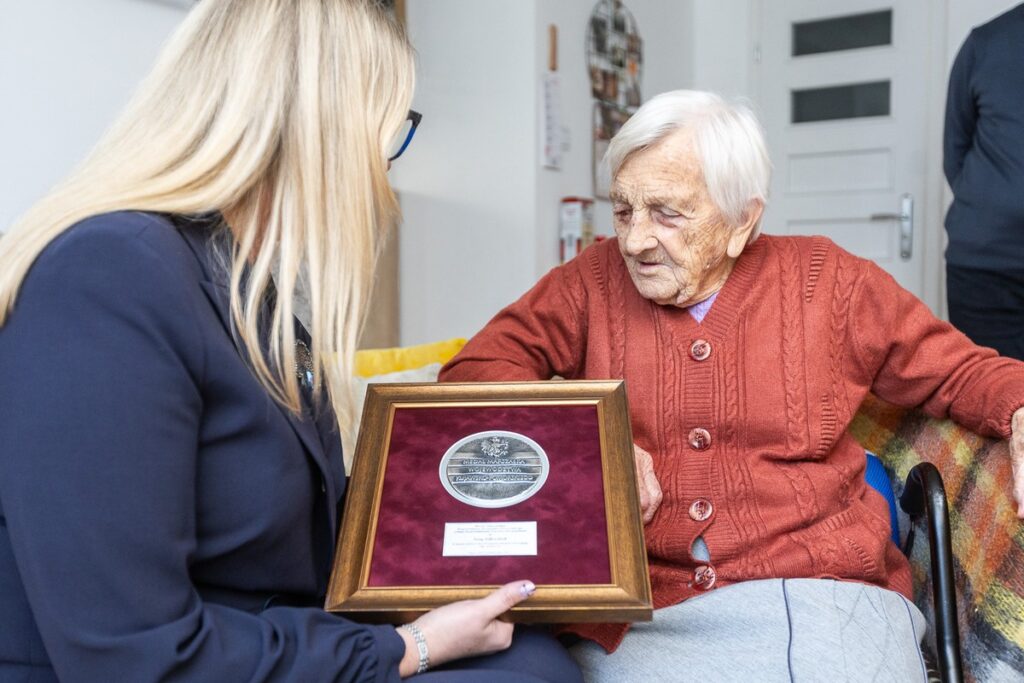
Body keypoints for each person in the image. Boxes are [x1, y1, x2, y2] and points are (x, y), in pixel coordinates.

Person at [0, 2, 582, 681]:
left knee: (531, 653)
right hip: (185, 663)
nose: (384, 168)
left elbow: (331, 533)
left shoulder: (241, 291)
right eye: (388, 131)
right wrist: (405, 649)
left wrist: (529, 520)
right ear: (321, 130)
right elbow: (135, 655)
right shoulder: (109, 275)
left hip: (263, 639)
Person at [440, 90, 1024, 681]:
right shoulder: (590, 282)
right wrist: (588, 440)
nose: (636, 240)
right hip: (645, 614)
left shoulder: (830, 283)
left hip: (820, 593)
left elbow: (962, 370)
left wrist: (1020, 408)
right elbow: (475, 370)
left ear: (742, 218)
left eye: (666, 213)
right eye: (622, 211)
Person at [944, 3, 1024, 360]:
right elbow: (955, 151)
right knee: (989, 402)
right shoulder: (986, 43)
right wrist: (993, 204)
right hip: (984, 272)